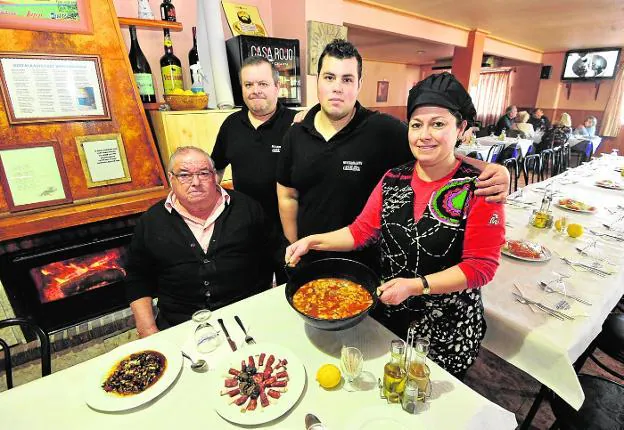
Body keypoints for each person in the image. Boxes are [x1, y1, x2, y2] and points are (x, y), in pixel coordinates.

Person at [285, 73, 505, 378]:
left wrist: (417, 286)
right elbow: (361, 231)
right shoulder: (393, 179)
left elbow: (481, 267)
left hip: (446, 330)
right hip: (390, 318)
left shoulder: (480, 187)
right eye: (416, 125)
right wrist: (312, 241)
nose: (424, 134)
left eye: (438, 124)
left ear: (461, 129)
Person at [276, 39, 509, 269]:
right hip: (311, 255)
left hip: (368, 264)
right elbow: (287, 195)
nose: (337, 87)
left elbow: (434, 150)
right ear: (317, 81)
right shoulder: (296, 133)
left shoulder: (383, 130)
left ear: (359, 84)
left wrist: (490, 170)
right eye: (329, 77)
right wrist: (296, 243)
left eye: (347, 79)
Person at [125, 147, 273, 337]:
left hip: (246, 317)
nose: (195, 182)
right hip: (179, 325)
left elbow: (275, 252)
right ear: (171, 178)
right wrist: (147, 330)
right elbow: (137, 277)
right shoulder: (151, 222)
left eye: (203, 173)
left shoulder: (246, 208)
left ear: (214, 175)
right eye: (184, 175)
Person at [212, 56, 295, 283]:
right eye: (249, 85)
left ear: (277, 87)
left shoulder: (296, 123)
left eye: (263, 84)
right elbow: (216, 170)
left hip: (288, 231)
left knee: (291, 289)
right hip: (246, 229)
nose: (255, 90)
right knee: (251, 290)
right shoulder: (231, 125)